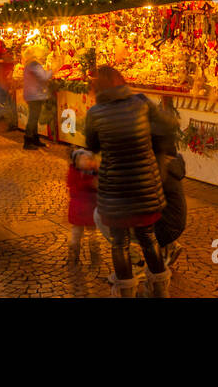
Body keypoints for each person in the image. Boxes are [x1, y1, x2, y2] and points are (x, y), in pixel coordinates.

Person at [83, 64, 171, 298]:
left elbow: (92, 146)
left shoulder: (95, 113)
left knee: (119, 241)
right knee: (147, 235)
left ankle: (125, 293)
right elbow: (166, 128)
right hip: (145, 185)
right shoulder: (142, 103)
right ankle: (160, 289)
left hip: (115, 188)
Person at [66, 148, 101, 268]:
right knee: (76, 234)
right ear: (76, 162)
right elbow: (76, 187)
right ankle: (73, 255)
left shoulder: (93, 173)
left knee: (93, 234)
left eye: (88, 159)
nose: (86, 161)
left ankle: (95, 255)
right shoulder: (75, 173)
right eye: (83, 159)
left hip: (91, 209)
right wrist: (91, 182)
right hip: (79, 210)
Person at [21, 44, 51, 149]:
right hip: (35, 94)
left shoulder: (29, 64)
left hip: (31, 93)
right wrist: (52, 70)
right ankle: (28, 141)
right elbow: (44, 77)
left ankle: (34, 139)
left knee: (34, 117)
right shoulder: (34, 64)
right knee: (33, 118)